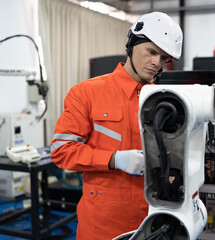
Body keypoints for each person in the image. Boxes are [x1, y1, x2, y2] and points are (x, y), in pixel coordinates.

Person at [50, 12, 183, 240]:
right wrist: (115, 159)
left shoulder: (168, 100)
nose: (156, 63)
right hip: (103, 224)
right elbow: (62, 151)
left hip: (153, 219)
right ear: (132, 45)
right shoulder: (86, 93)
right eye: (151, 52)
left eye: (164, 58)